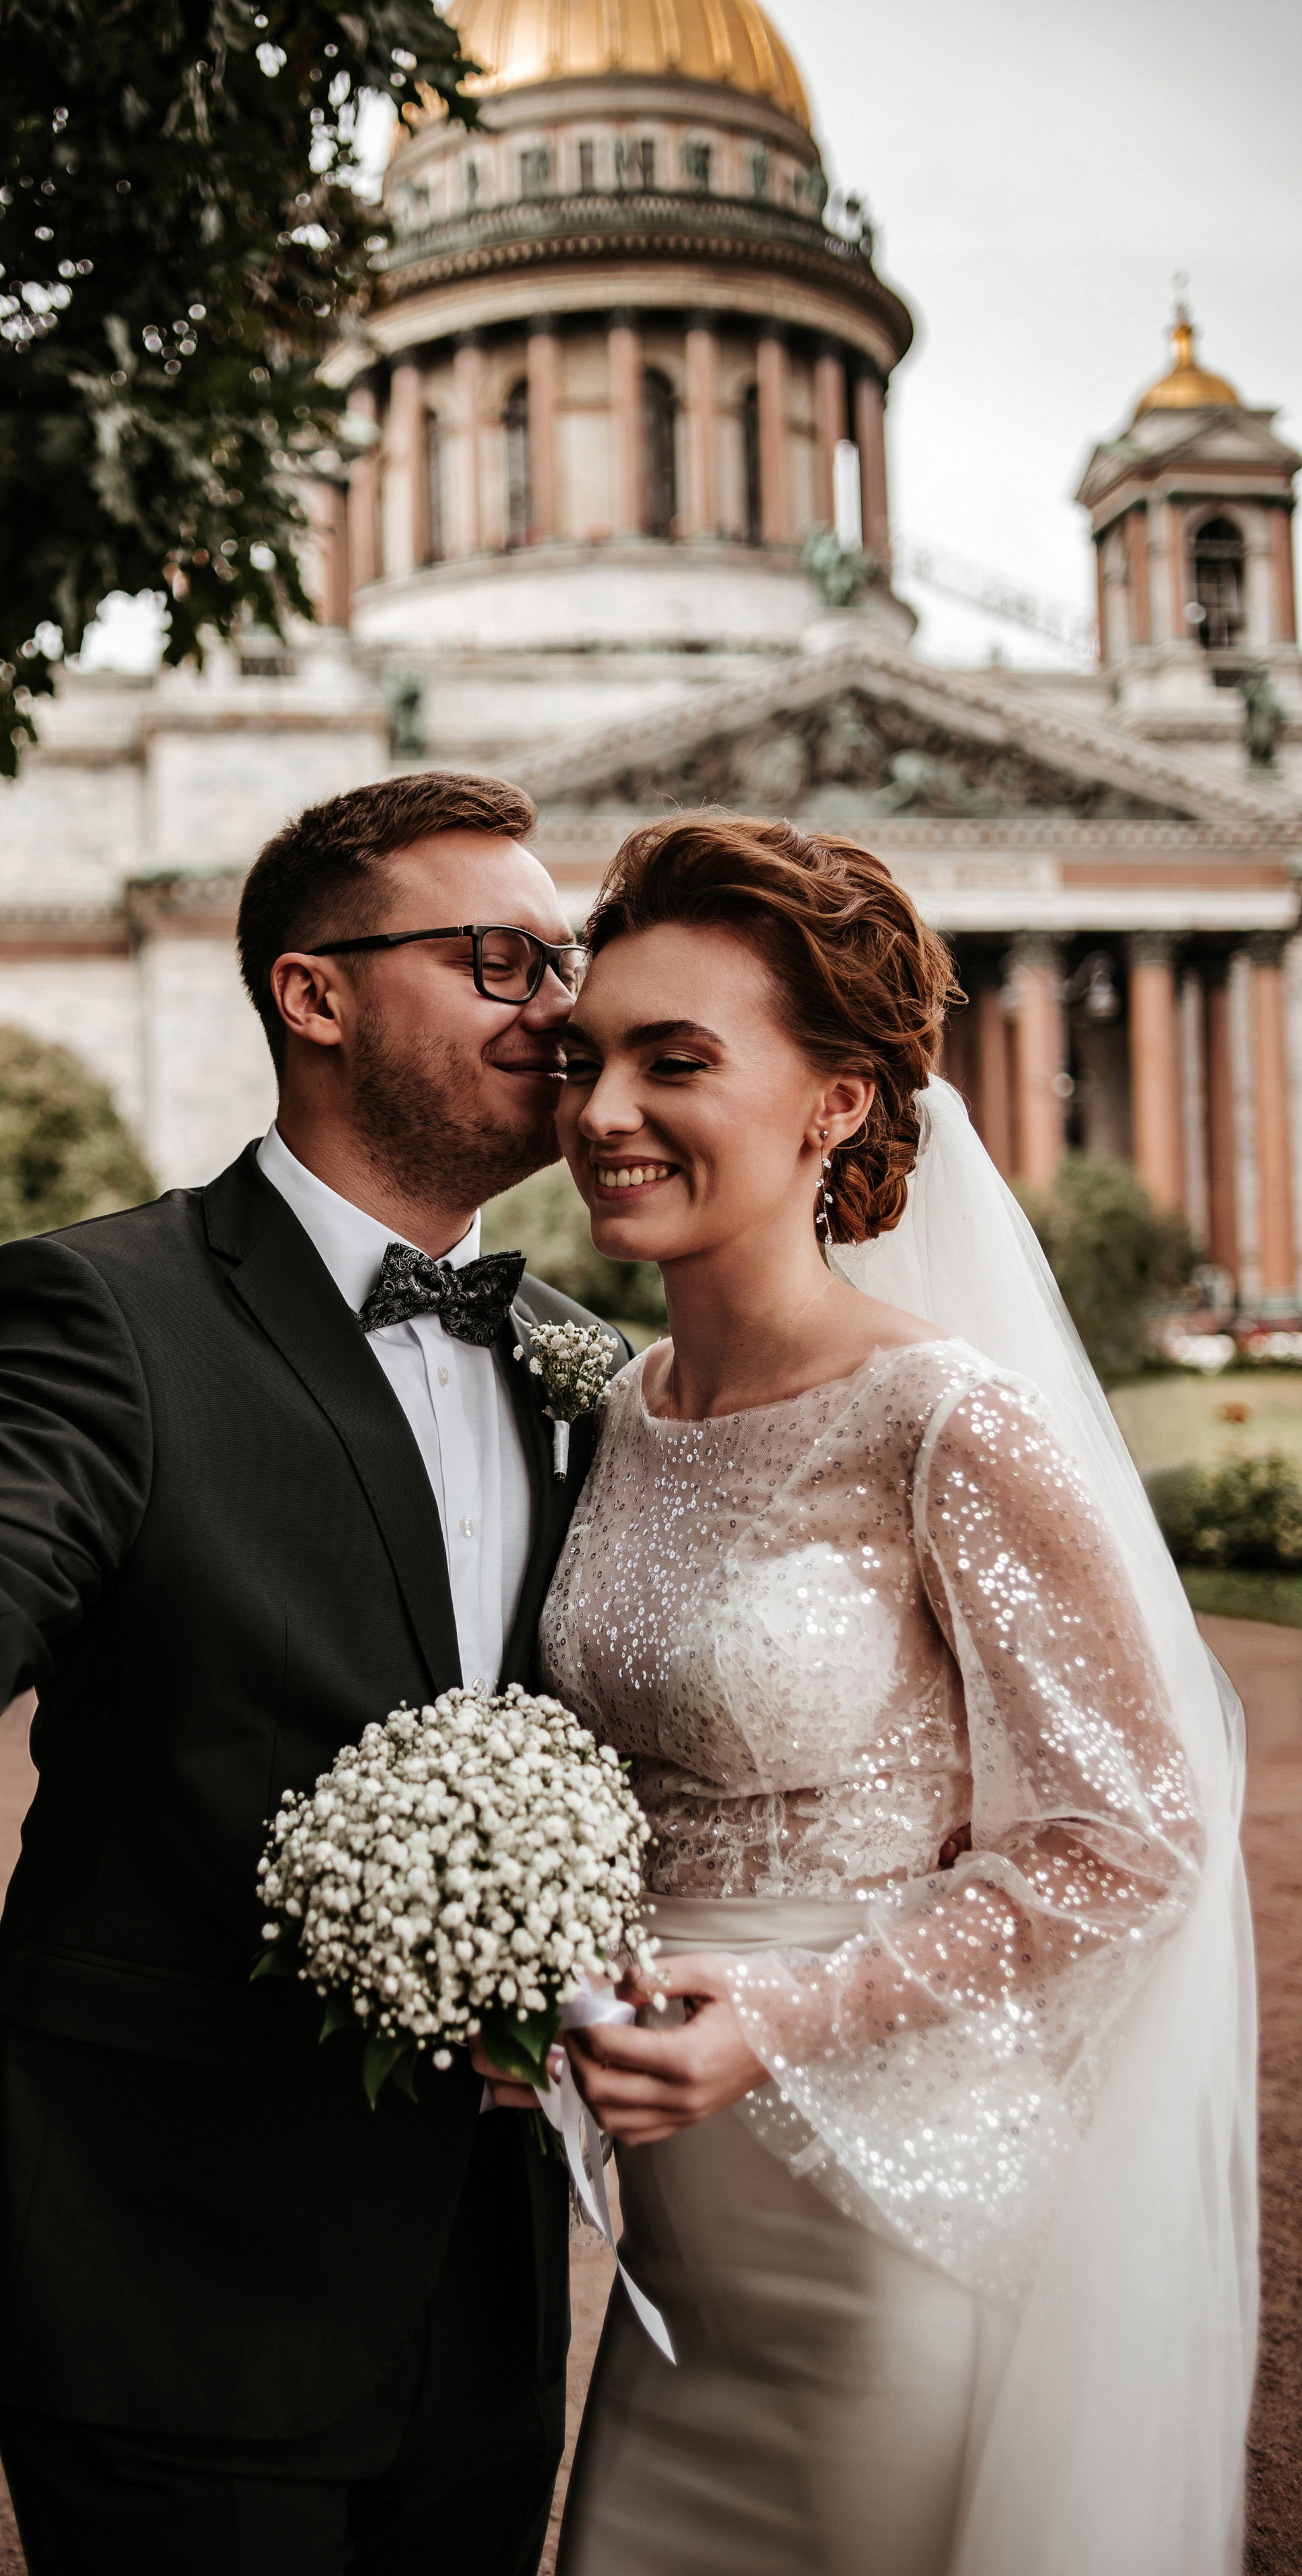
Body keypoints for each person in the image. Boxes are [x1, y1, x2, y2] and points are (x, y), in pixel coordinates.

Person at [0, 771, 630, 2576]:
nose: (562, 1007)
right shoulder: (100, 1306)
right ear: (314, 991)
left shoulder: (588, 1362)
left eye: (566, 958)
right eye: (502, 957)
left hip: (489, 2291)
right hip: (171, 2253)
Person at [497, 813, 1254, 2576]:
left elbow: (1133, 1836)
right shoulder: (624, 1414)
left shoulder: (945, 1421)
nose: (602, 1112)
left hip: (873, 2241)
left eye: (676, 1060)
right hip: (675, 2275)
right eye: (586, 1058)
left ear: (836, 1101)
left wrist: (778, 2016)